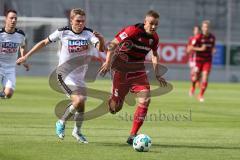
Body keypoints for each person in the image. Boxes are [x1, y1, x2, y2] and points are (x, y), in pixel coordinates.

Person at [16, 8, 105, 143]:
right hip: (64, 75)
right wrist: (26, 56)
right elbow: (44, 42)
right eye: (78, 21)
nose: (81, 23)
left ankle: (77, 131)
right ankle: (61, 122)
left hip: (79, 77)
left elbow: (100, 48)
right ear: (71, 20)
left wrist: (101, 40)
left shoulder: (88, 33)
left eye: (83, 21)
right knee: (79, 100)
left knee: (81, 105)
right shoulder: (63, 32)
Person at [98, 10, 167, 145]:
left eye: (156, 24)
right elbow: (112, 44)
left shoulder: (154, 38)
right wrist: (107, 62)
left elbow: (154, 54)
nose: (153, 27)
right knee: (115, 108)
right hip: (121, 69)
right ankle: (113, 98)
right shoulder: (132, 31)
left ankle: (132, 135)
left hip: (138, 70)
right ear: (145, 22)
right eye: (151, 24)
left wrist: (157, 73)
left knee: (146, 99)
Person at [0, 9, 29, 99]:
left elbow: (23, 46)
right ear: (6, 19)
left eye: (15, 18)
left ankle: (3, 92)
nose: (13, 20)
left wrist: (24, 59)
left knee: (8, 94)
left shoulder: (20, 34)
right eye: (11, 18)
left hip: (10, 68)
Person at [189, 20, 216, 102]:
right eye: (204, 27)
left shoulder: (212, 37)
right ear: (202, 28)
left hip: (207, 60)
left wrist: (213, 50)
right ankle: (193, 87)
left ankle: (200, 95)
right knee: (195, 78)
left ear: (209, 28)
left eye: (207, 27)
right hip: (198, 60)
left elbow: (213, 47)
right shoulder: (198, 37)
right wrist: (200, 49)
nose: (205, 29)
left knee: (205, 77)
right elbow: (190, 47)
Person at [186, 25, 201, 97]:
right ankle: (192, 88)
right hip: (193, 59)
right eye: (195, 30)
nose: (196, 31)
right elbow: (188, 49)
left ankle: (196, 82)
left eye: (197, 30)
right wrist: (190, 49)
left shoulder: (201, 39)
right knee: (194, 74)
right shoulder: (191, 39)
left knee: (197, 74)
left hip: (201, 59)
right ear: (193, 31)